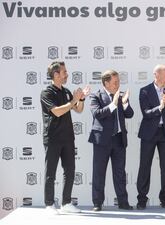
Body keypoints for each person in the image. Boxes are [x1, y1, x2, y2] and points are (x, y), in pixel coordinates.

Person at [40, 61, 90, 214]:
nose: (67, 74)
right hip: (53, 137)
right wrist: (73, 100)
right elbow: (57, 112)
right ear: (56, 74)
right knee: (51, 172)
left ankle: (66, 203)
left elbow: (79, 110)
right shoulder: (46, 93)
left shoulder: (67, 91)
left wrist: (80, 99)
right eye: (64, 72)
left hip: (68, 137)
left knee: (70, 170)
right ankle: (49, 205)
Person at [88, 70, 134, 211]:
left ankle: (123, 202)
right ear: (106, 83)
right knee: (99, 172)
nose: (118, 84)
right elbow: (97, 114)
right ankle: (97, 203)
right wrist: (113, 105)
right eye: (115, 82)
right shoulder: (96, 96)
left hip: (119, 139)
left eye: (118, 81)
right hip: (102, 141)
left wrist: (124, 103)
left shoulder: (120, 96)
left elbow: (130, 114)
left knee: (120, 173)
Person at [136, 64, 165, 210]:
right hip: (149, 133)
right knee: (144, 166)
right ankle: (142, 199)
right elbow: (146, 113)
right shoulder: (145, 91)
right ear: (157, 75)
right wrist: (160, 107)